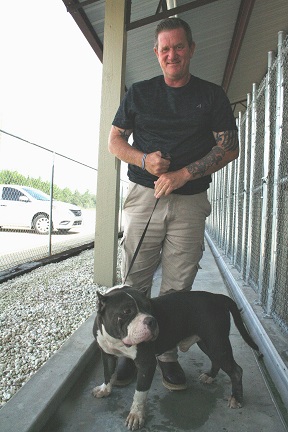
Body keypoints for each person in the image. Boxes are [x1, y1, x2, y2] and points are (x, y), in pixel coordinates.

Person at [108, 17, 239, 390]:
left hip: (190, 200)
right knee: (134, 279)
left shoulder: (211, 95)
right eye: (165, 48)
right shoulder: (139, 92)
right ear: (156, 52)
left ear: (191, 49)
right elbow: (114, 142)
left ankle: (163, 354)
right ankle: (130, 351)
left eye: (179, 47)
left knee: (178, 284)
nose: (172, 54)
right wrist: (144, 160)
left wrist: (183, 175)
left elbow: (230, 146)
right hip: (143, 198)